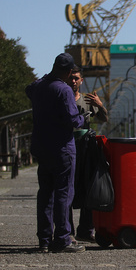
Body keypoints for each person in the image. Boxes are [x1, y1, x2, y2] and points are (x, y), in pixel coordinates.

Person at [26, 53, 87, 253]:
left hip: (41, 147)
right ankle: (62, 238)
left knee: (45, 193)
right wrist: (82, 118)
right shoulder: (64, 90)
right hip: (62, 148)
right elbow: (73, 120)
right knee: (63, 193)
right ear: (70, 72)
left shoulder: (39, 87)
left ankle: (44, 239)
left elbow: (29, 88)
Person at [67, 66, 108, 243]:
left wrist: (100, 106)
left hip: (85, 147)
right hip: (67, 147)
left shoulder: (86, 100)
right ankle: (67, 230)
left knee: (88, 187)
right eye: (71, 78)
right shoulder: (62, 99)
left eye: (76, 78)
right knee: (67, 189)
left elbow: (103, 118)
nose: (73, 81)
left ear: (81, 80)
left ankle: (85, 230)